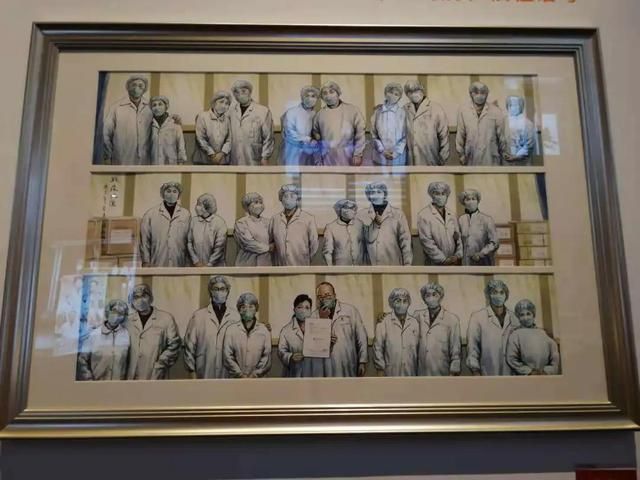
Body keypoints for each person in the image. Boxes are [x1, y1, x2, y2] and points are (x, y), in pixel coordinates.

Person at [183, 275, 241, 379]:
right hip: (204, 371)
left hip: (229, 374)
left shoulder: (236, 316)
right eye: (216, 289)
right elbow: (189, 347)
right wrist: (192, 373)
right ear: (210, 291)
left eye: (222, 289)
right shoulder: (198, 316)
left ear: (227, 291)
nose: (219, 292)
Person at [309, 282, 368, 377]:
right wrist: (323, 322)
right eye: (320, 297)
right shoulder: (313, 316)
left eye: (327, 295)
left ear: (334, 295)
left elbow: (361, 337)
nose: (324, 299)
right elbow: (311, 347)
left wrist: (362, 361)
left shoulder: (350, 311)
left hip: (347, 363)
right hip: (324, 367)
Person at [125, 284, 181, 380]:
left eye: (144, 296)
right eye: (136, 297)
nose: (140, 300)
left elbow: (174, 345)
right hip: (132, 374)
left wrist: (160, 364)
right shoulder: (128, 321)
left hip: (155, 373)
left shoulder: (166, 318)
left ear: (150, 298)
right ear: (132, 301)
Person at [466, 280, 520, 376]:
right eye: (494, 292)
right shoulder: (477, 317)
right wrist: (475, 371)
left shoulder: (515, 317)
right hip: (487, 372)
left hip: (512, 373)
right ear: (488, 295)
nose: (498, 296)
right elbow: (472, 348)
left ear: (506, 295)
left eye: (501, 292)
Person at [357, 182, 413, 266]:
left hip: (393, 263)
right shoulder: (361, 215)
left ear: (384, 194)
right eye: (372, 192)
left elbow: (406, 241)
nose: (376, 195)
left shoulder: (398, 214)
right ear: (369, 195)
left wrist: (407, 264)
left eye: (379, 192)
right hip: (369, 264)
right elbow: (358, 243)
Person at [312, 81, 366, 166]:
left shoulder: (353, 110)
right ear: (322, 97)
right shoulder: (319, 115)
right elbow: (316, 139)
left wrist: (358, 153)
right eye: (325, 93)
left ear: (338, 93)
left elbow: (360, 133)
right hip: (327, 158)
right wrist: (318, 159)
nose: (328, 96)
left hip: (348, 156)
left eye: (331, 92)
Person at [103, 75, 153, 165]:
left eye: (140, 86)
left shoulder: (151, 108)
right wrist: (108, 155)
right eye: (133, 85)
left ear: (145, 89)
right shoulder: (116, 107)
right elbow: (106, 133)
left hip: (145, 161)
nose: (136, 88)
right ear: (128, 87)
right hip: (121, 160)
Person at [413, 283, 461, 376]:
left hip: (442, 370)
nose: (431, 298)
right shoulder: (417, 316)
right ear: (424, 299)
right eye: (427, 295)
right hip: (421, 372)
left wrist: (453, 373)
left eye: (434, 295)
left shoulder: (452, 319)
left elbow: (455, 350)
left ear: (441, 297)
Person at [456, 81, 508, 166]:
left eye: (483, 93)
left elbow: (502, 137)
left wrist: (504, 153)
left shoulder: (496, 111)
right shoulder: (463, 111)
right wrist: (461, 154)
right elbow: (460, 135)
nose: (479, 96)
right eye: (476, 92)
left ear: (487, 94)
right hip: (471, 157)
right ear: (471, 94)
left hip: (491, 157)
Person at [139, 181, 191, 267]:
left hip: (179, 262)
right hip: (157, 261)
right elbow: (144, 241)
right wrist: (146, 261)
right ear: (163, 194)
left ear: (179, 195)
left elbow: (189, 240)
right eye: (168, 191)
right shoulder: (150, 214)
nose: (171, 194)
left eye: (175, 191)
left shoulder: (186, 214)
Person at [77, 299, 130, 381]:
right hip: (97, 383)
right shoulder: (93, 335)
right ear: (108, 311)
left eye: (121, 313)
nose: (116, 315)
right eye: (114, 311)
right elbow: (82, 361)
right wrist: (89, 379)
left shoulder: (126, 334)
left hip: (118, 383)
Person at [222, 293, 272, 378]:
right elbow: (227, 356)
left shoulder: (264, 330)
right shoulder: (230, 329)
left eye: (251, 306)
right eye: (243, 307)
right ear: (239, 309)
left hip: (259, 380)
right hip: (236, 379)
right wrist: (239, 374)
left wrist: (255, 374)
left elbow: (266, 357)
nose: (247, 309)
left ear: (256, 308)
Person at [373, 288, 420, 377]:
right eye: (398, 301)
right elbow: (377, 348)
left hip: (411, 371)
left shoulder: (414, 323)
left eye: (405, 301)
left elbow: (418, 348)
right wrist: (380, 368)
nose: (402, 304)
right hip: (390, 371)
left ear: (409, 303)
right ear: (392, 303)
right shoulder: (383, 322)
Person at [269, 183, 319, 266]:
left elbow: (314, 244)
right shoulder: (275, 219)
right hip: (280, 266)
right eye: (285, 196)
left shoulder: (308, 218)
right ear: (281, 199)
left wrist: (305, 259)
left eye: (292, 196)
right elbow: (271, 242)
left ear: (297, 199)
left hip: (301, 264)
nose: (288, 199)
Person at [506, 299, 560, 375]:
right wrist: (529, 371)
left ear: (533, 315)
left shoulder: (542, 333)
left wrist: (547, 371)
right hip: (526, 377)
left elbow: (554, 357)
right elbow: (511, 358)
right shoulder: (515, 335)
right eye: (522, 315)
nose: (525, 318)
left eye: (528, 314)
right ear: (518, 317)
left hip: (544, 375)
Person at [403, 80, 450, 166]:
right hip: (410, 161)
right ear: (407, 95)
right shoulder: (405, 109)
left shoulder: (436, 108)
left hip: (431, 158)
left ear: (422, 91)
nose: (414, 95)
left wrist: (442, 158)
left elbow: (444, 135)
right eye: (410, 92)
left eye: (416, 91)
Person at [229, 80, 274, 166]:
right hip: (234, 158)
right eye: (237, 92)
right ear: (234, 95)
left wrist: (265, 157)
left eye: (243, 91)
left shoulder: (263, 111)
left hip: (254, 158)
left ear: (250, 92)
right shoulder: (230, 111)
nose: (240, 94)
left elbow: (268, 137)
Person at [417, 181, 462, 266]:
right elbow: (427, 242)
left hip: (454, 262)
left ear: (447, 196)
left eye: (443, 194)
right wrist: (443, 259)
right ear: (432, 195)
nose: (440, 197)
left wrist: (457, 255)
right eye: (437, 193)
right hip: (435, 263)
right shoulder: (423, 215)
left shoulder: (452, 214)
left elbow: (458, 237)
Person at [280, 86, 320, 166]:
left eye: (313, 96)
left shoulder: (315, 114)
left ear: (317, 99)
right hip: (292, 150)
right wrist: (309, 140)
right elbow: (289, 133)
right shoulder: (292, 112)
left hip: (308, 151)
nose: (310, 98)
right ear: (302, 97)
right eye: (307, 95)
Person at [457, 189, 499, 266]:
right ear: (464, 202)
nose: (471, 202)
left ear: (477, 201)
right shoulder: (461, 220)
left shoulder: (487, 219)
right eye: (468, 199)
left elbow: (494, 243)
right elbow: (459, 241)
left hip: (483, 261)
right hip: (466, 262)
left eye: (473, 199)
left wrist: (481, 254)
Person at [370, 82, 407, 166]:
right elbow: (373, 134)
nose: (393, 96)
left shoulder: (403, 113)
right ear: (385, 93)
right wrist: (382, 150)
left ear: (399, 97)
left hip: (398, 157)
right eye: (390, 92)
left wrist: (396, 152)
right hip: (379, 157)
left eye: (396, 94)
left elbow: (405, 136)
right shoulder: (377, 112)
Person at [277, 294, 314, 377]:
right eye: (300, 307)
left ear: (311, 310)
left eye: (307, 308)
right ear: (294, 309)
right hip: (294, 372)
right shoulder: (286, 330)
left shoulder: (316, 327)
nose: (303, 311)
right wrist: (291, 357)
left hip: (313, 372)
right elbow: (281, 351)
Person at [187, 193, 228, 267]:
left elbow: (219, 247)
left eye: (199, 204)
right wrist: (196, 261)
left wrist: (210, 264)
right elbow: (189, 243)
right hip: (196, 266)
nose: (196, 207)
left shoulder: (219, 222)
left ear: (207, 207)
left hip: (215, 266)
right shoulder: (193, 221)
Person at [193, 90, 233, 165]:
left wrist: (221, 154)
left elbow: (229, 140)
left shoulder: (227, 120)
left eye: (227, 104)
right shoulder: (202, 116)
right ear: (214, 103)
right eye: (221, 102)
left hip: (222, 161)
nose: (224, 106)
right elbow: (200, 138)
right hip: (203, 160)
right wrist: (212, 154)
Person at [322, 199, 366, 266]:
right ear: (339, 210)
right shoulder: (330, 227)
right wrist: (330, 268)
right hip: (340, 267)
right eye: (345, 207)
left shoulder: (360, 224)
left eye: (351, 208)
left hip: (358, 268)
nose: (349, 210)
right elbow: (327, 251)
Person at [233, 192, 272, 266]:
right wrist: (268, 248)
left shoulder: (268, 222)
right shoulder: (241, 223)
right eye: (256, 202)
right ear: (247, 206)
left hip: (266, 261)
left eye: (261, 202)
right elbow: (247, 243)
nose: (259, 205)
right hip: (248, 262)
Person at [149, 95, 187, 165]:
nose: (157, 108)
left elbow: (181, 147)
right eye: (154, 105)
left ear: (166, 107)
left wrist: (180, 164)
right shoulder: (149, 126)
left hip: (171, 165)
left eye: (160, 104)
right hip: (154, 165)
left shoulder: (175, 126)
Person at [504, 95, 536, 166]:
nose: (512, 108)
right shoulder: (503, 122)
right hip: (506, 161)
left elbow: (529, 144)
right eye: (510, 105)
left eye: (515, 105)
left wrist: (516, 157)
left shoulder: (528, 124)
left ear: (521, 106)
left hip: (522, 161)